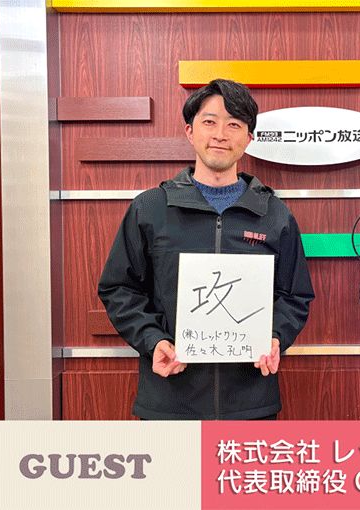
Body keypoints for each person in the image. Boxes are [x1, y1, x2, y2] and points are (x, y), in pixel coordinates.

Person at [98, 79, 314, 420]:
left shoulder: (274, 215)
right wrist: (153, 340)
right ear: (190, 131)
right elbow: (119, 288)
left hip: (250, 405)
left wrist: (274, 337)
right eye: (209, 122)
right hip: (170, 401)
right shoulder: (150, 208)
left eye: (234, 125)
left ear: (249, 138)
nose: (220, 135)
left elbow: (295, 295)